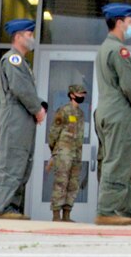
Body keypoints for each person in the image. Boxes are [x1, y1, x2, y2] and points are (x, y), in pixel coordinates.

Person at [0, 19, 46, 219]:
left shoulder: (22, 62)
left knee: (21, 162)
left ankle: (11, 206)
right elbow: (20, 89)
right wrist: (37, 109)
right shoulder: (13, 59)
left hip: (21, 120)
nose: (32, 38)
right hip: (14, 119)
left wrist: (38, 106)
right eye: (29, 35)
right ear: (18, 36)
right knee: (10, 161)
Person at [94, 3, 131, 225]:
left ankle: (123, 210)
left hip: (106, 110)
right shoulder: (118, 50)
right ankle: (109, 211)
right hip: (117, 111)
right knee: (116, 161)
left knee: (119, 161)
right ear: (119, 22)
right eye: (130, 21)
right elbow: (129, 84)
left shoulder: (105, 48)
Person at [47, 83, 86, 221]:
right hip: (64, 152)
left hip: (76, 153)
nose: (82, 96)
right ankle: (56, 215)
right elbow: (53, 133)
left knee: (73, 183)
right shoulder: (63, 111)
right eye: (80, 94)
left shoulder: (81, 114)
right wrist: (55, 151)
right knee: (61, 182)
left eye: (83, 94)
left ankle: (67, 214)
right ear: (71, 95)